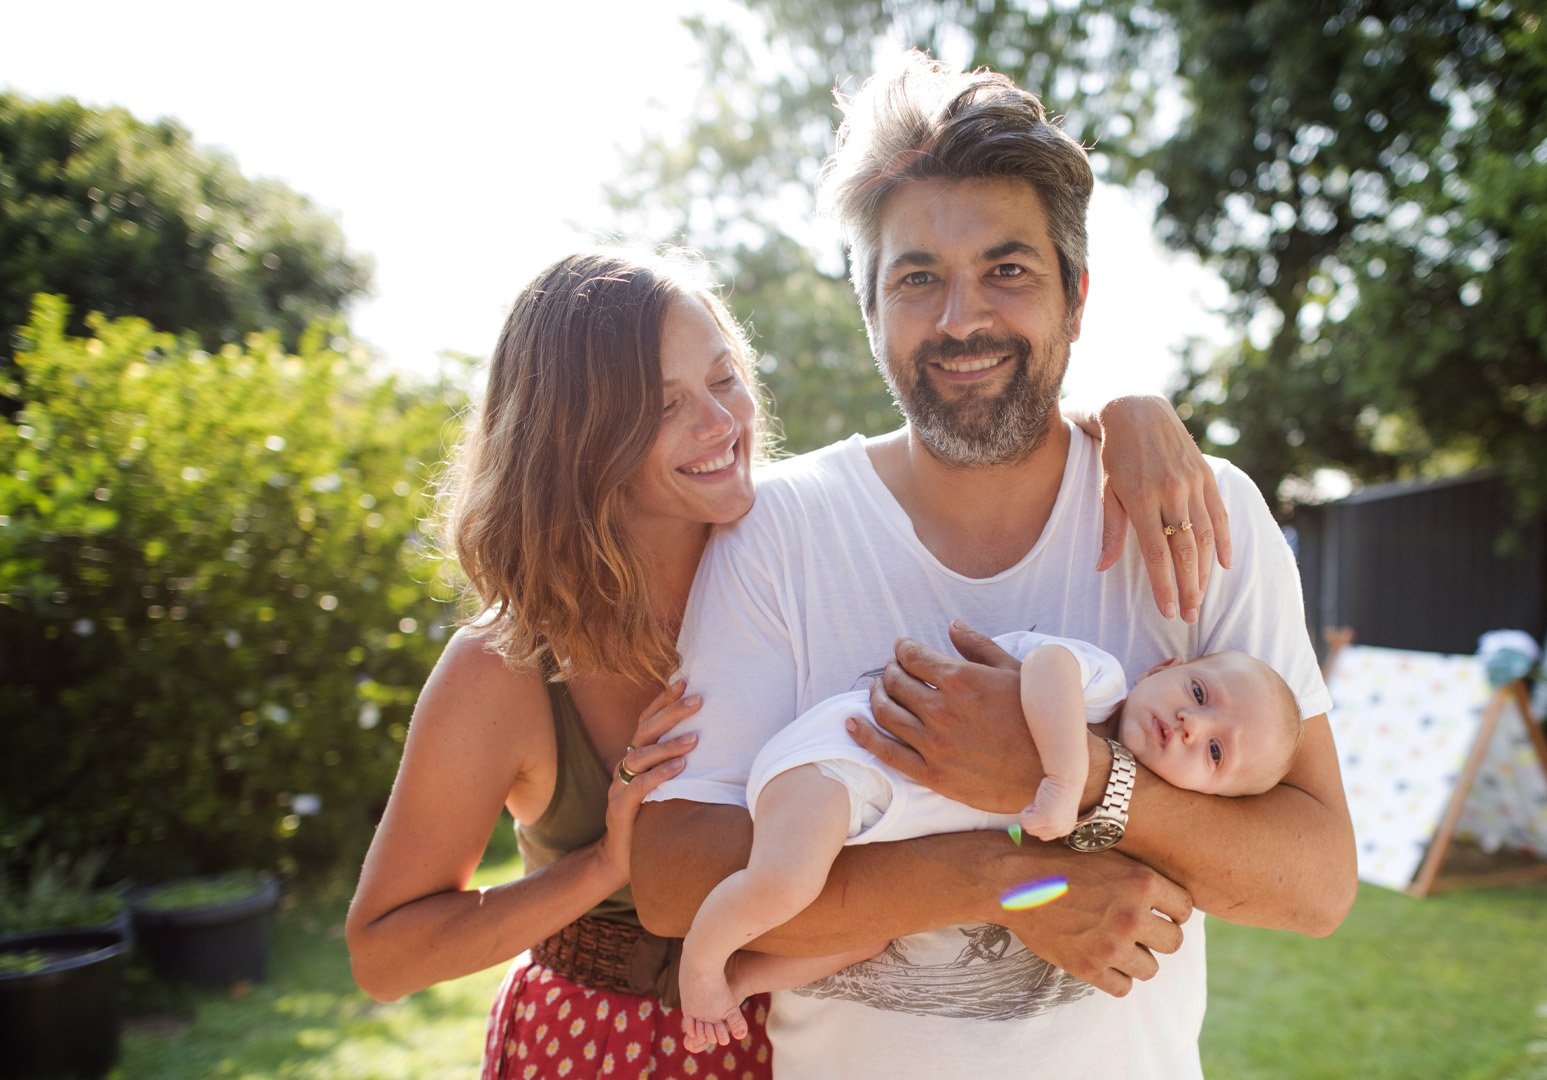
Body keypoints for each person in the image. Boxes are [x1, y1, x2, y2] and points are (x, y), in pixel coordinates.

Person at [633, 54, 1356, 1080]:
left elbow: (1317, 884)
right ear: (872, 311)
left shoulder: (1202, 513)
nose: (961, 319)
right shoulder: (777, 531)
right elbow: (674, 881)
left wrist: (1080, 778)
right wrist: (999, 875)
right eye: (917, 277)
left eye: (1007, 270)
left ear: (1076, 295)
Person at [340, 250, 1228, 1079]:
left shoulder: (797, 546)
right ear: (573, 436)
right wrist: (605, 867)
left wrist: (1128, 413)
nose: (721, 422)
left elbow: (975, 442)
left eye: (724, 378)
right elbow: (385, 953)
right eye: (662, 405)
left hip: (786, 1033)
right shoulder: (507, 666)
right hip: (603, 1042)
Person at [676, 630, 1307, 1052]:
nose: (1192, 725)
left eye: (1217, 751)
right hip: (841, 763)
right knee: (786, 881)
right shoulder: (1102, 685)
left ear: (1209, 797)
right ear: (1165, 668)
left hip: (878, 819)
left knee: (863, 939)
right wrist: (1067, 775)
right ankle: (700, 966)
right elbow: (1047, 669)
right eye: (1198, 693)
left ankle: (741, 980)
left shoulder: (1131, 817)